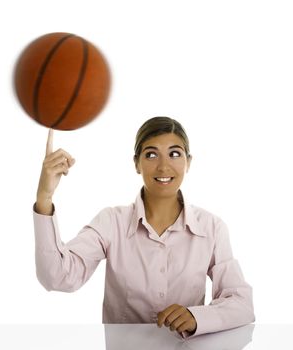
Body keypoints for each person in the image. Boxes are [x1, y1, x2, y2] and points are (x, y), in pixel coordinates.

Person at [33, 116, 255, 338]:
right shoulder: (112, 222)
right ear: (136, 163)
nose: (163, 166)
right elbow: (57, 276)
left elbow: (241, 304)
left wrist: (196, 317)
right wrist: (45, 196)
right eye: (151, 154)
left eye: (175, 154)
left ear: (189, 162)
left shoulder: (212, 228)